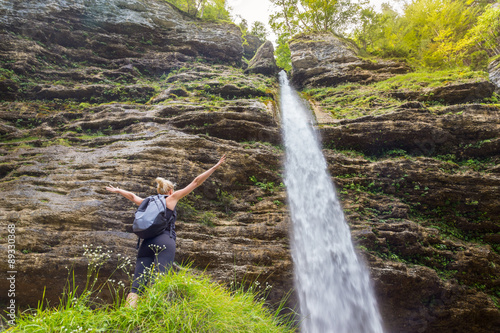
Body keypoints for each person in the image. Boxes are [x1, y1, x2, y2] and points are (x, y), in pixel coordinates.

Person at [106, 154, 226, 308]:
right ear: (170, 191)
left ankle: (127, 316)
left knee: (136, 286)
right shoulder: (171, 198)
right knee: (160, 280)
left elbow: (132, 196)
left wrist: (118, 190)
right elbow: (196, 182)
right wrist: (215, 167)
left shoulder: (148, 201)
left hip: (145, 244)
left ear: (158, 190)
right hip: (164, 241)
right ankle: (155, 316)